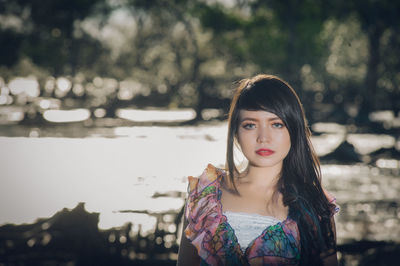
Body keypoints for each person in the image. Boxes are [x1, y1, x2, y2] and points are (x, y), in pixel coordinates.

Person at [177, 74, 339, 266]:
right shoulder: (206, 195)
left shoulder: (314, 206)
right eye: (250, 125)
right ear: (236, 132)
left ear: (294, 130)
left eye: (277, 124)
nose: (264, 137)